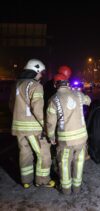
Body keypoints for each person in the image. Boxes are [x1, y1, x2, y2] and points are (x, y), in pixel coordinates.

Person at [11, 59, 55, 189]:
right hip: (32, 128)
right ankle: (42, 180)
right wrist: (46, 127)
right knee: (44, 154)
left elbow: (10, 105)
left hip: (18, 128)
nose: (41, 75)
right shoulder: (35, 86)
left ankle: (26, 181)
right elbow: (38, 110)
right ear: (35, 71)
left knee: (24, 153)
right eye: (40, 73)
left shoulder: (16, 85)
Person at [46, 73, 91, 195]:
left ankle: (66, 189)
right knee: (79, 162)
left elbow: (50, 122)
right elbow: (89, 101)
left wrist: (51, 136)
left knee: (64, 163)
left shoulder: (53, 99)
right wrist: (79, 94)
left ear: (56, 84)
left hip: (66, 140)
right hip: (81, 138)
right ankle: (77, 188)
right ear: (67, 83)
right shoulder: (78, 94)